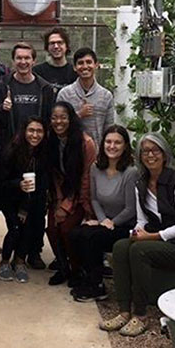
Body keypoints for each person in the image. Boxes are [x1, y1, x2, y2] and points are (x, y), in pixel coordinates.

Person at [99, 133, 175, 337]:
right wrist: (136, 233)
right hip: (161, 242)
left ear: (165, 154)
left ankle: (141, 315)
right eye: (145, 151)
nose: (150, 155)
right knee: (121, 246)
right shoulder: (141, 183)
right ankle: (123, 311)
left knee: (140, 250)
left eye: (155, 150)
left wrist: (150, 237)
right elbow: (141, 221)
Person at [0, 42, 56, 269]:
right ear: (13, 61)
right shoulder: (2, 87)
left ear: (34, 60)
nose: (23, 62)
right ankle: (12, 252)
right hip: (11, 155)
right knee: (14, 205)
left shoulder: (44, 88)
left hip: (36, 154)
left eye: (27, 58)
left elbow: (49, 120)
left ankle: (33, 252)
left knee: (36, 205)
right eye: (19, 58)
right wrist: (2, 110)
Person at [69, 125, 138, 302]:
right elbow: (94, 200)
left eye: (117, 142)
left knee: (93, 238)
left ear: (125, 146)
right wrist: (101, 220)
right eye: (108, 141)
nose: (112, 146)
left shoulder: (131, 173)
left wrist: (111, 222)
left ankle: (97, 286)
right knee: (77, 233)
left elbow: (131, 209)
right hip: (105, 222)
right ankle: (84, 276)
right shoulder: (95, 168)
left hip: (125, 225)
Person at [46, 101, 96, 286]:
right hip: (59, 194)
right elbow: (55, 175)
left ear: (71, 119)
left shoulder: (86, 143)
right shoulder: (51, 140)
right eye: (54, 118)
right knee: (52, 228)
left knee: (67, 229)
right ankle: (62, 267)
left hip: (80, 198)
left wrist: (67, 206)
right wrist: (58, 201)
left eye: (63, 117)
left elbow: (85, 179)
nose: (59, 121)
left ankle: (76, 269)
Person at [0, 117, 48, 284]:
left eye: (39, 131)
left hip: (31, 198)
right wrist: (18, 184)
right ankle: (4, 262)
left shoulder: (43, 153)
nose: (35, 135)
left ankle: (19, 261)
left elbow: (43, 181)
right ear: (24, 131)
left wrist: (27, 206)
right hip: (9, 197)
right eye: (31, 130)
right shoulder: (12, 151)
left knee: (28, 228)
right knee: (16, 227)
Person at [56, 47, 115, 149]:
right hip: (69, 152)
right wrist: (79, 114)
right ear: (74, 67)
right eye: (80, 63)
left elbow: (108, 129)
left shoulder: (106, 96)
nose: (85, 66)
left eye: (89, 62)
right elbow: (58, 126)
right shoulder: (64, 94)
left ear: (96, 65)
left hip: (97, 155)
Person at [34, 28, 78, 92]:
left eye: (60, 42)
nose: (56, 46)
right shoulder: (37, 72)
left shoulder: (75, 72)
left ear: (66, 46)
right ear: (47, 47)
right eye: (52, 43)